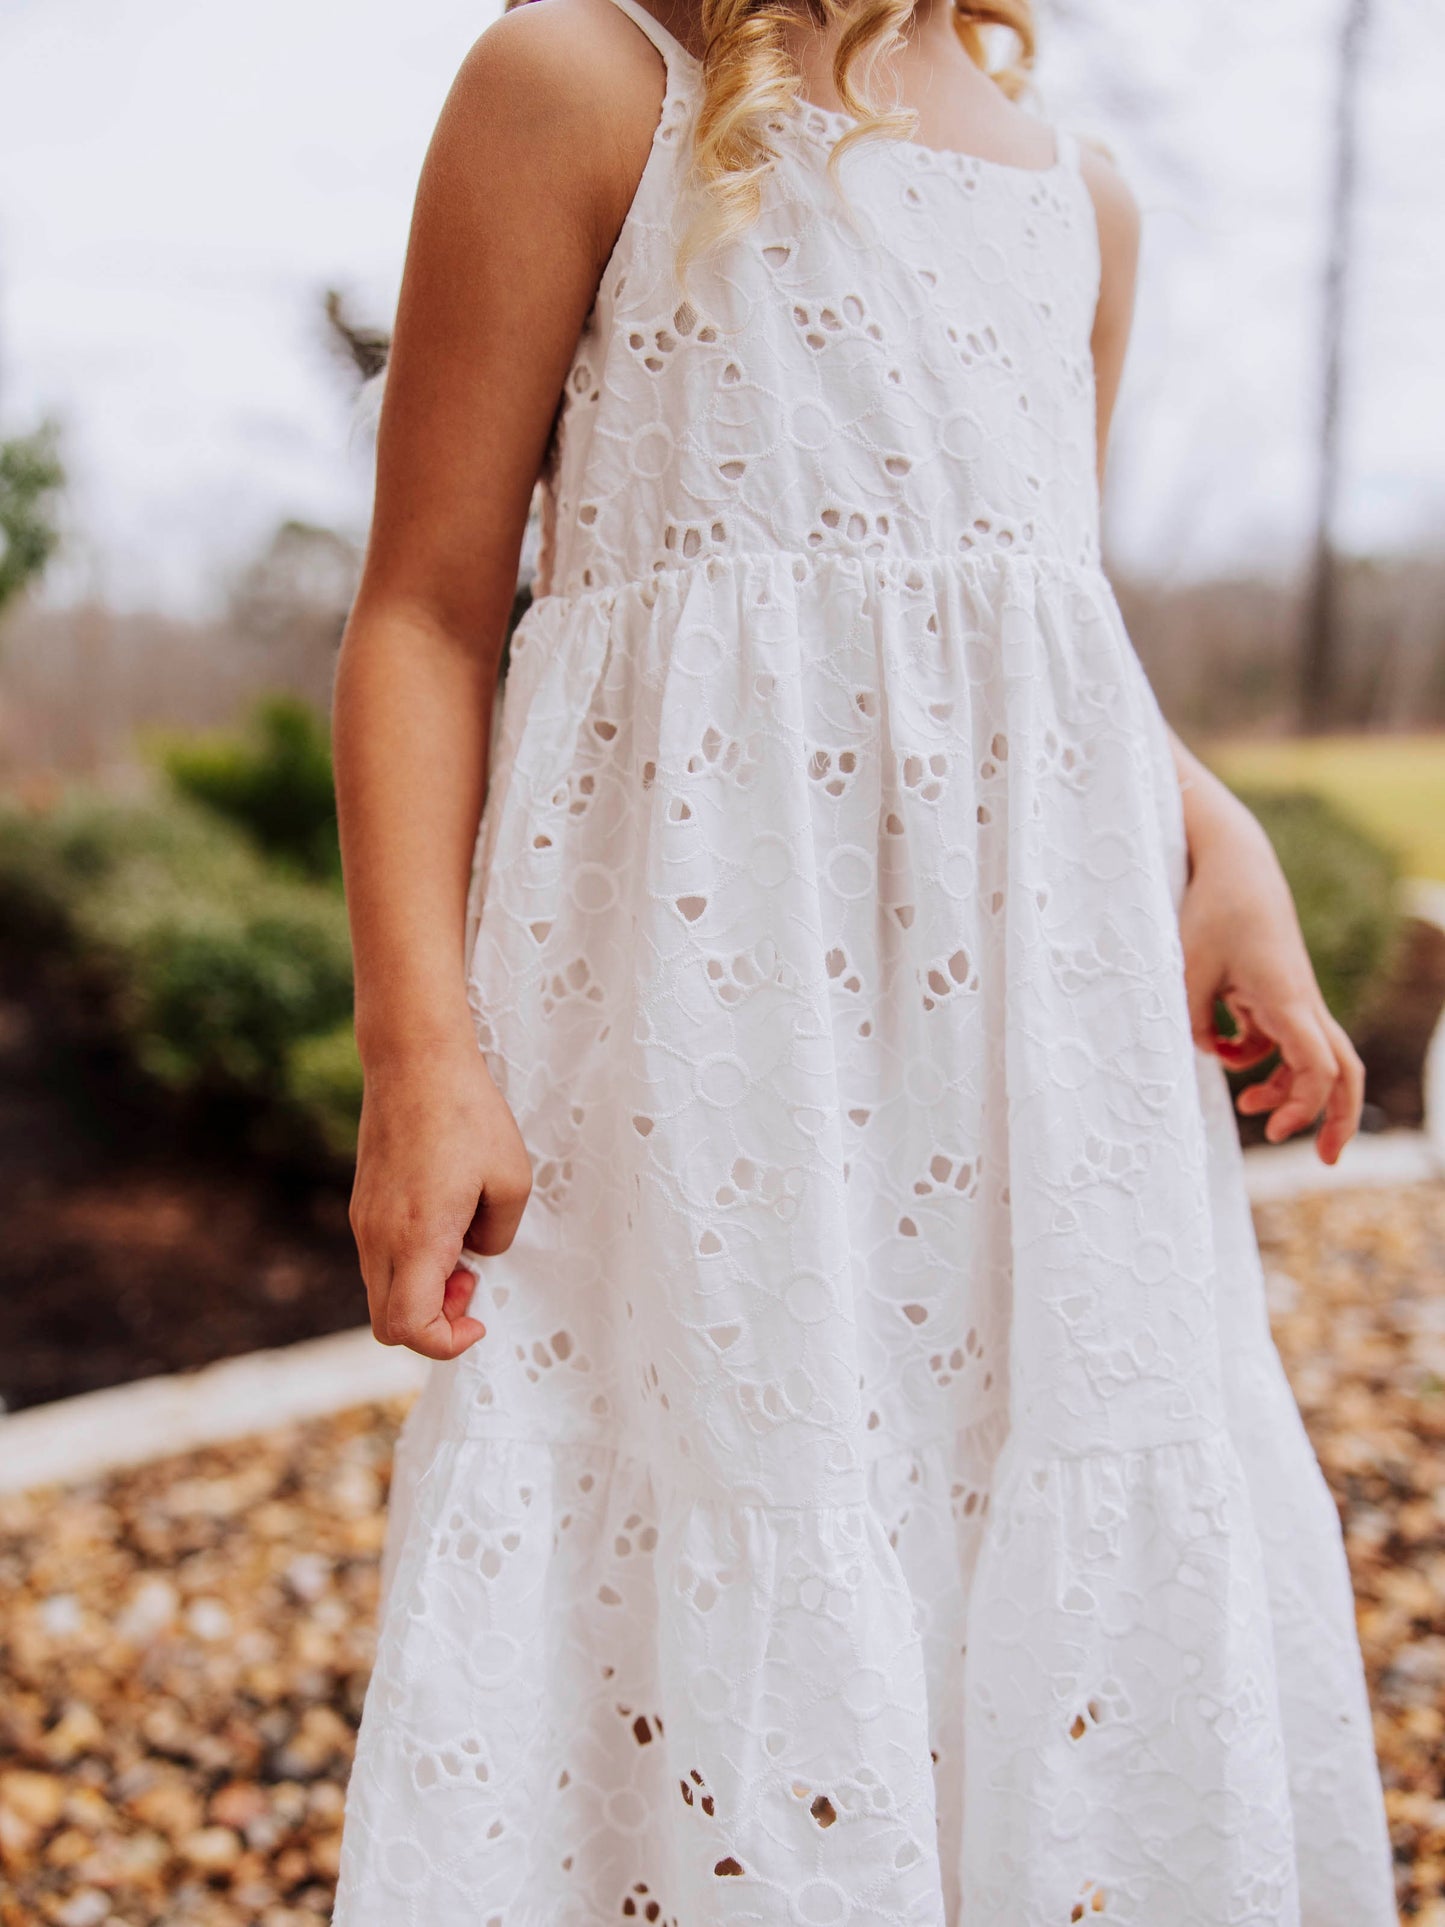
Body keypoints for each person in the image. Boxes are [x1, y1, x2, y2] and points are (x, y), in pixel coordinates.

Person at [328, 0, 1396, 1918]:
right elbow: (423, 610)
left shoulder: (1081, 200)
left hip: (1035, 1081)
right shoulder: (583, 84)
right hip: (712, 1040)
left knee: (1024, 1519)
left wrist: (1219, 839)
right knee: (738, 1487)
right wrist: (421, 1049)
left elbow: (1023, 630)